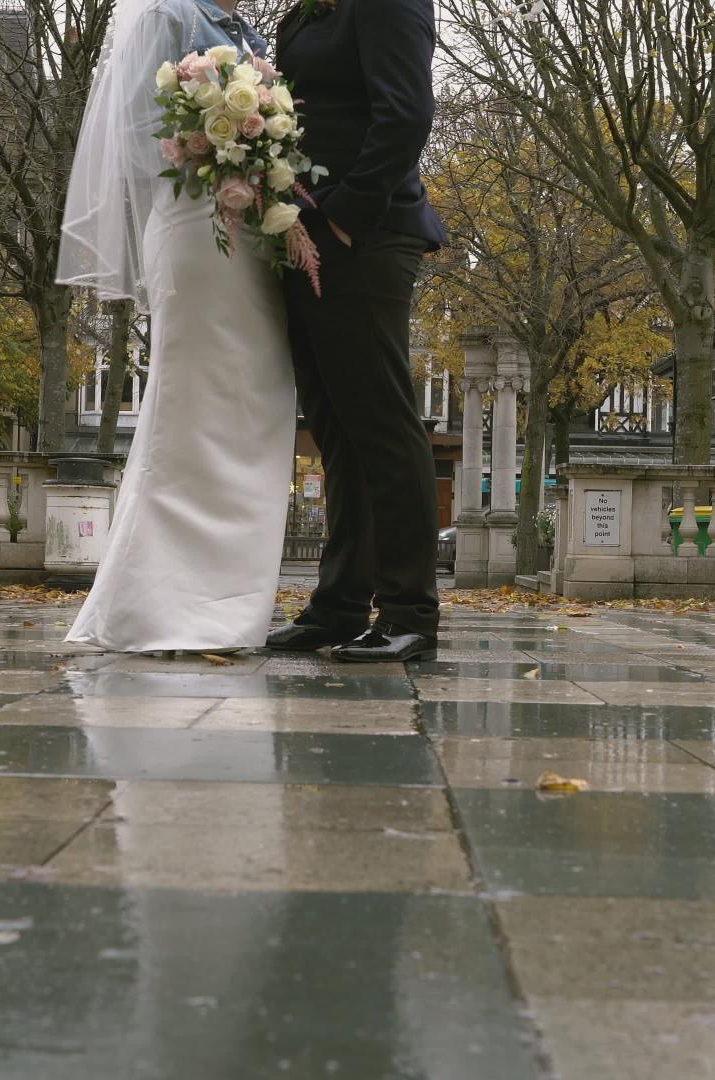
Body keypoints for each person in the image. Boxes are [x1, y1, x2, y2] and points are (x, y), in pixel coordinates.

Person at [56, 0, 292, 653]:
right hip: (194, 224)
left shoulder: (246, 32)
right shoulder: (165, 12)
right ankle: (165, 606)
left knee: (255, 402)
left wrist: (260, 156)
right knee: (192, 403)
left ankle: (230, 595)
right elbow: (134, 128)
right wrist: (206, 150)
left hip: (247, 236)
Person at [264, 0, 446, 663]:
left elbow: (407, 114)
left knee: (383, 426)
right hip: (301, 232)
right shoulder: (304, 12)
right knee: (337, 428)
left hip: (362, 233)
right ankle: (339, 607)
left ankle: (410, 615)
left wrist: (344, 216)